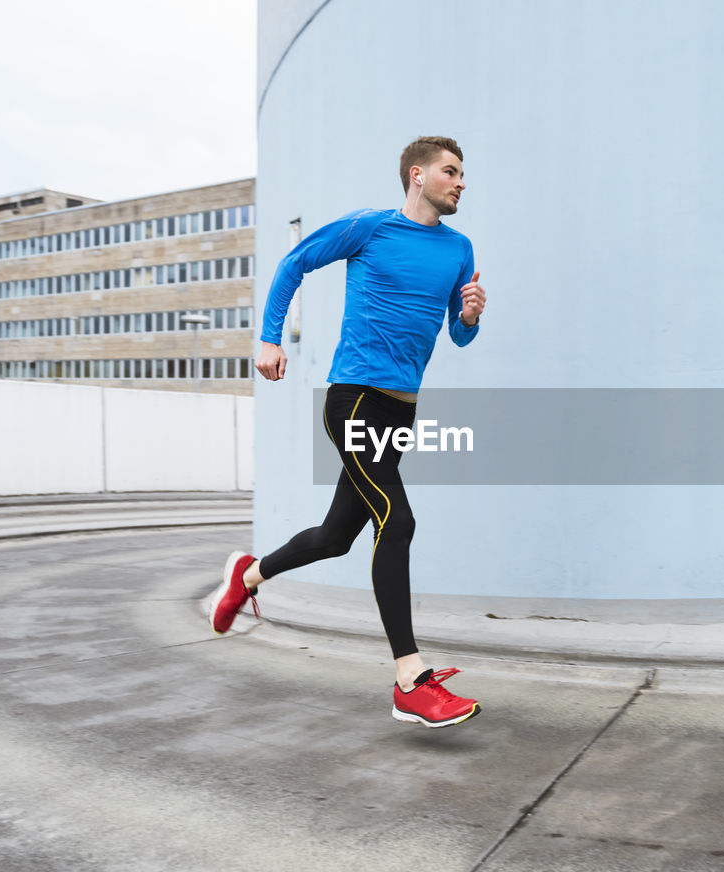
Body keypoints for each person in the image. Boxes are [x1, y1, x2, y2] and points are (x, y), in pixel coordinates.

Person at [208, 136, 487, 729]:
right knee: (398, 519)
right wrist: (269, 338)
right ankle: (410, 679)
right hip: (354, 397)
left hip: (400, 410)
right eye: (451, 171)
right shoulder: (369, 227)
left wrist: (468, 317)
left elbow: (456, 338)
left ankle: (248, 575)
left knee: (337, 536)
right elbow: (294, 263)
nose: (462, 182)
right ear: (418, 175)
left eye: (463, 174)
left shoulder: (459, 249)